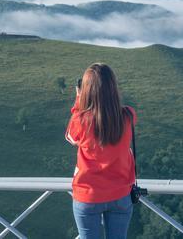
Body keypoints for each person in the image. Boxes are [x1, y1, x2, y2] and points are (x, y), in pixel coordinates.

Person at [65, 63, 137, 239]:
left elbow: (71, 138)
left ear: (86, 90)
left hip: (88, 196)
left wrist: (79, 100)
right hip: (120, 194)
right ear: (113, 88)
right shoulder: (128, 115)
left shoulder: (81, 120)